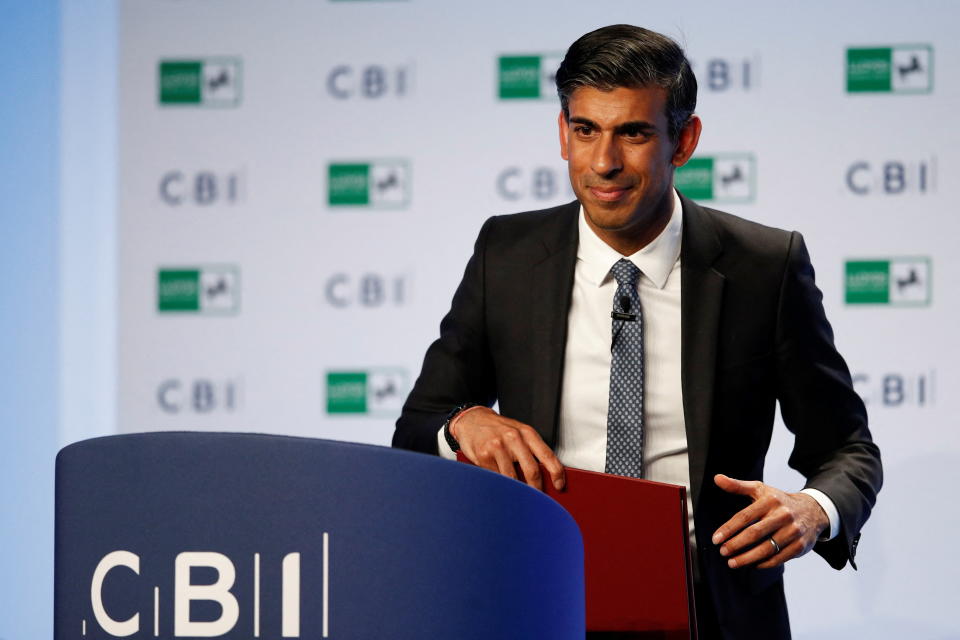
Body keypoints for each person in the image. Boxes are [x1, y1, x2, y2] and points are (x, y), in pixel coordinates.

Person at [392, 24, 881, 639]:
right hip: (540, 600)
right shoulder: (506, 254)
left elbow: (847, 448)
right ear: (562, 133)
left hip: (714, 613)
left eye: (634, 133)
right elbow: (417, 425)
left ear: (686, 139)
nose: (604, 163)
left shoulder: (764, 266)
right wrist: (460, 422)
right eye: (585, 130)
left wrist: (816, 509)